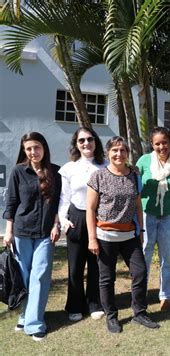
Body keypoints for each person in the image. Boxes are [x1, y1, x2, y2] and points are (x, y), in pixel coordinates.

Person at [86, 136, 158, 333]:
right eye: (115, 150)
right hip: (105, 236)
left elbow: (137, 206)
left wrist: (141, 230)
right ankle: (111, 316)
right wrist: (92, 238)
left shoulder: (134, 175)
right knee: (107, 278)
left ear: (127, 154)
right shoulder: (98, 176)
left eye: (123, 150)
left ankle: (140, 313)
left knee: (140, 272)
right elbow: (90, 209)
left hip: (129, 235)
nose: (119, 154)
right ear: (108, 153)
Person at [3, 132, 61, 342]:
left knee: (40, 276)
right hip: (21, 232)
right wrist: (8, 231)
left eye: (36, 147)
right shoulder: (18, 171)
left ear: (44, 148)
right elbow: (11, 202)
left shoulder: (55, 172)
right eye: (28, 148)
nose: (33, 152)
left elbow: (58, 203)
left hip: (46, 233)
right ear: (24, 150)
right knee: (24, 277)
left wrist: (56, 224)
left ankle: (35, 324)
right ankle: (25, 315)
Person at [58, 127, 106, 322]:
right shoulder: (68, 168)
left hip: (100, 219)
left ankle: (94, 303)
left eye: (90, 139)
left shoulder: (105, 166)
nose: (86, 143)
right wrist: (63, 219)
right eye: (81, 140)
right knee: (76, 266)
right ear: (76, 144)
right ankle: (75, 305)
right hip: (76, 218)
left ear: (96, 142)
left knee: (96, 264)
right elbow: (64, 197)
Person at [136, 127, 170, 311]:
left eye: (164, 142)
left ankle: (165, 295)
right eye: (157, 143)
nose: (161, 146)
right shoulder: (143, 161)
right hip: (147, 215)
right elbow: (134, 188)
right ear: (152, 144)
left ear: (169, 142)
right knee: (144, 257)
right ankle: (141, 295)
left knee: (168, 258)